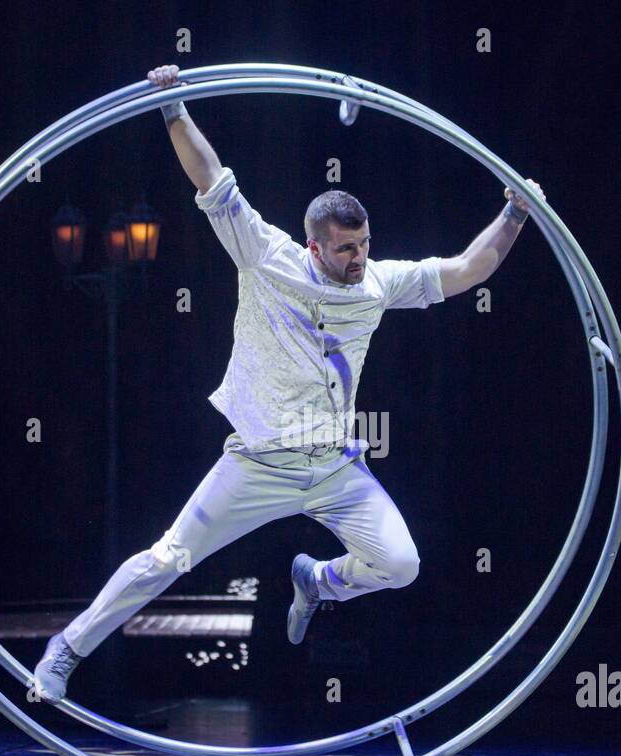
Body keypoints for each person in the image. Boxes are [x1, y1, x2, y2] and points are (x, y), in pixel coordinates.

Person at [31, 64, 544, 702]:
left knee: (402, 564)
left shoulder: (380, 284)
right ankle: (68, 648)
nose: (360, 259)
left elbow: (469, 269)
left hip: (333, 469)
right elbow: (210, 177)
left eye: (365, 244)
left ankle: (318, 581)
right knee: (165, 559)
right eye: (347, 249)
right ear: (313, 245)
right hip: (259, 463)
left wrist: (516, 213)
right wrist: (173, 106)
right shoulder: (265, 255)